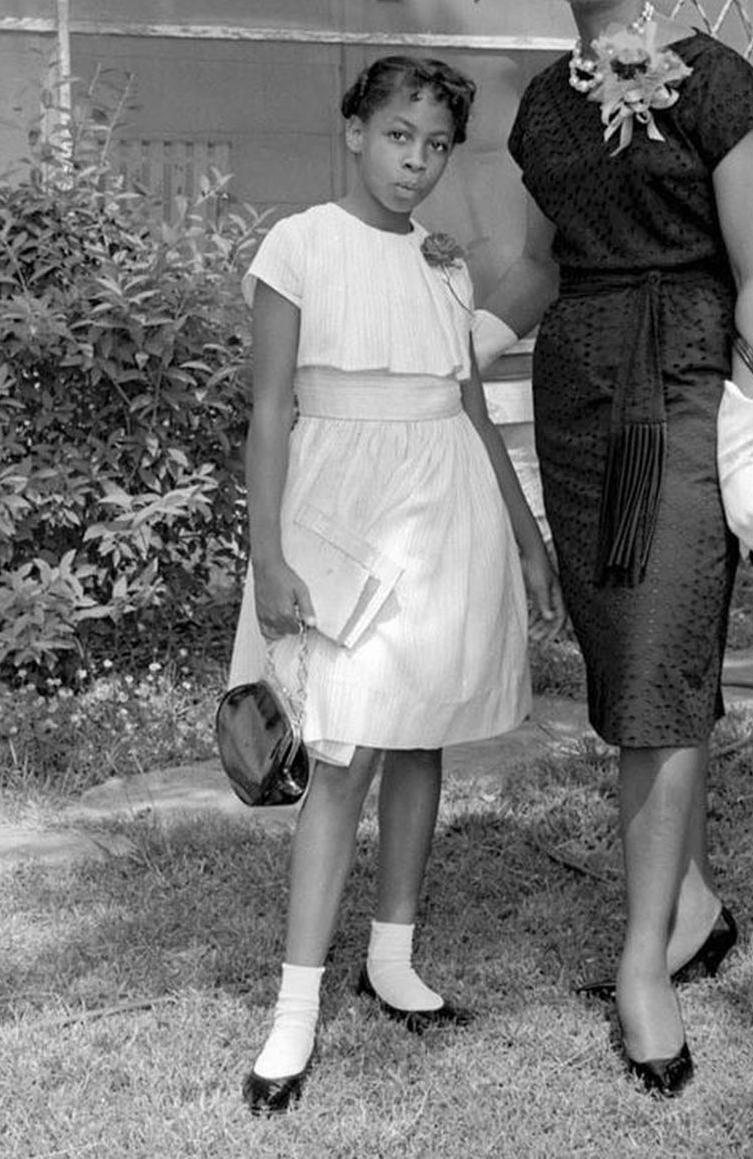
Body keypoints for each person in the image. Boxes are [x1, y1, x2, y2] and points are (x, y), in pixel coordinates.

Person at [451, 0, 753, 1098]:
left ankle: (646, 965)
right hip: (581, 403)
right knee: (621, 678)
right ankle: (691, 901)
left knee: (660, 672)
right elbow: (541, 270)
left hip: (684, 390)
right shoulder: (540, 109)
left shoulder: (716, 79)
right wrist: (456, 332)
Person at [228, 54, 565, 1117]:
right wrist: (270, 553)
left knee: (419, 732)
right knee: (342, 749)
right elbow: (271, 409)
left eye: (433, 145)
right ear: (353, 132)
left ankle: (393, 953)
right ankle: (293, 1008)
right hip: (339, 516)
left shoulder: (442, 265)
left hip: (444, 506)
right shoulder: (299, 247)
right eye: (395, 136)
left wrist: (525, 536)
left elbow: (467, 405)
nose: (414, 162)